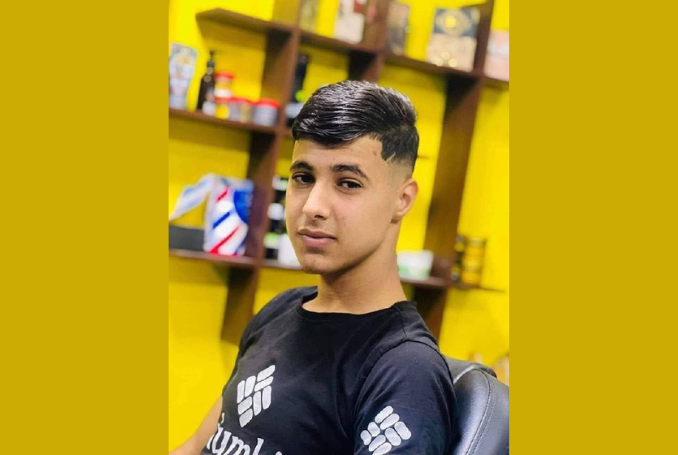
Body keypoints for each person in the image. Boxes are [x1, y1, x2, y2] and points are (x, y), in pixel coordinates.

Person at [170, 80, 457, 455]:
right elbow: (198, 445)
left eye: (348, 183)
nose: (312, 207)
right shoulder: (279, 312)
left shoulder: (404, 369)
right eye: (303, 178)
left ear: (402, 199)